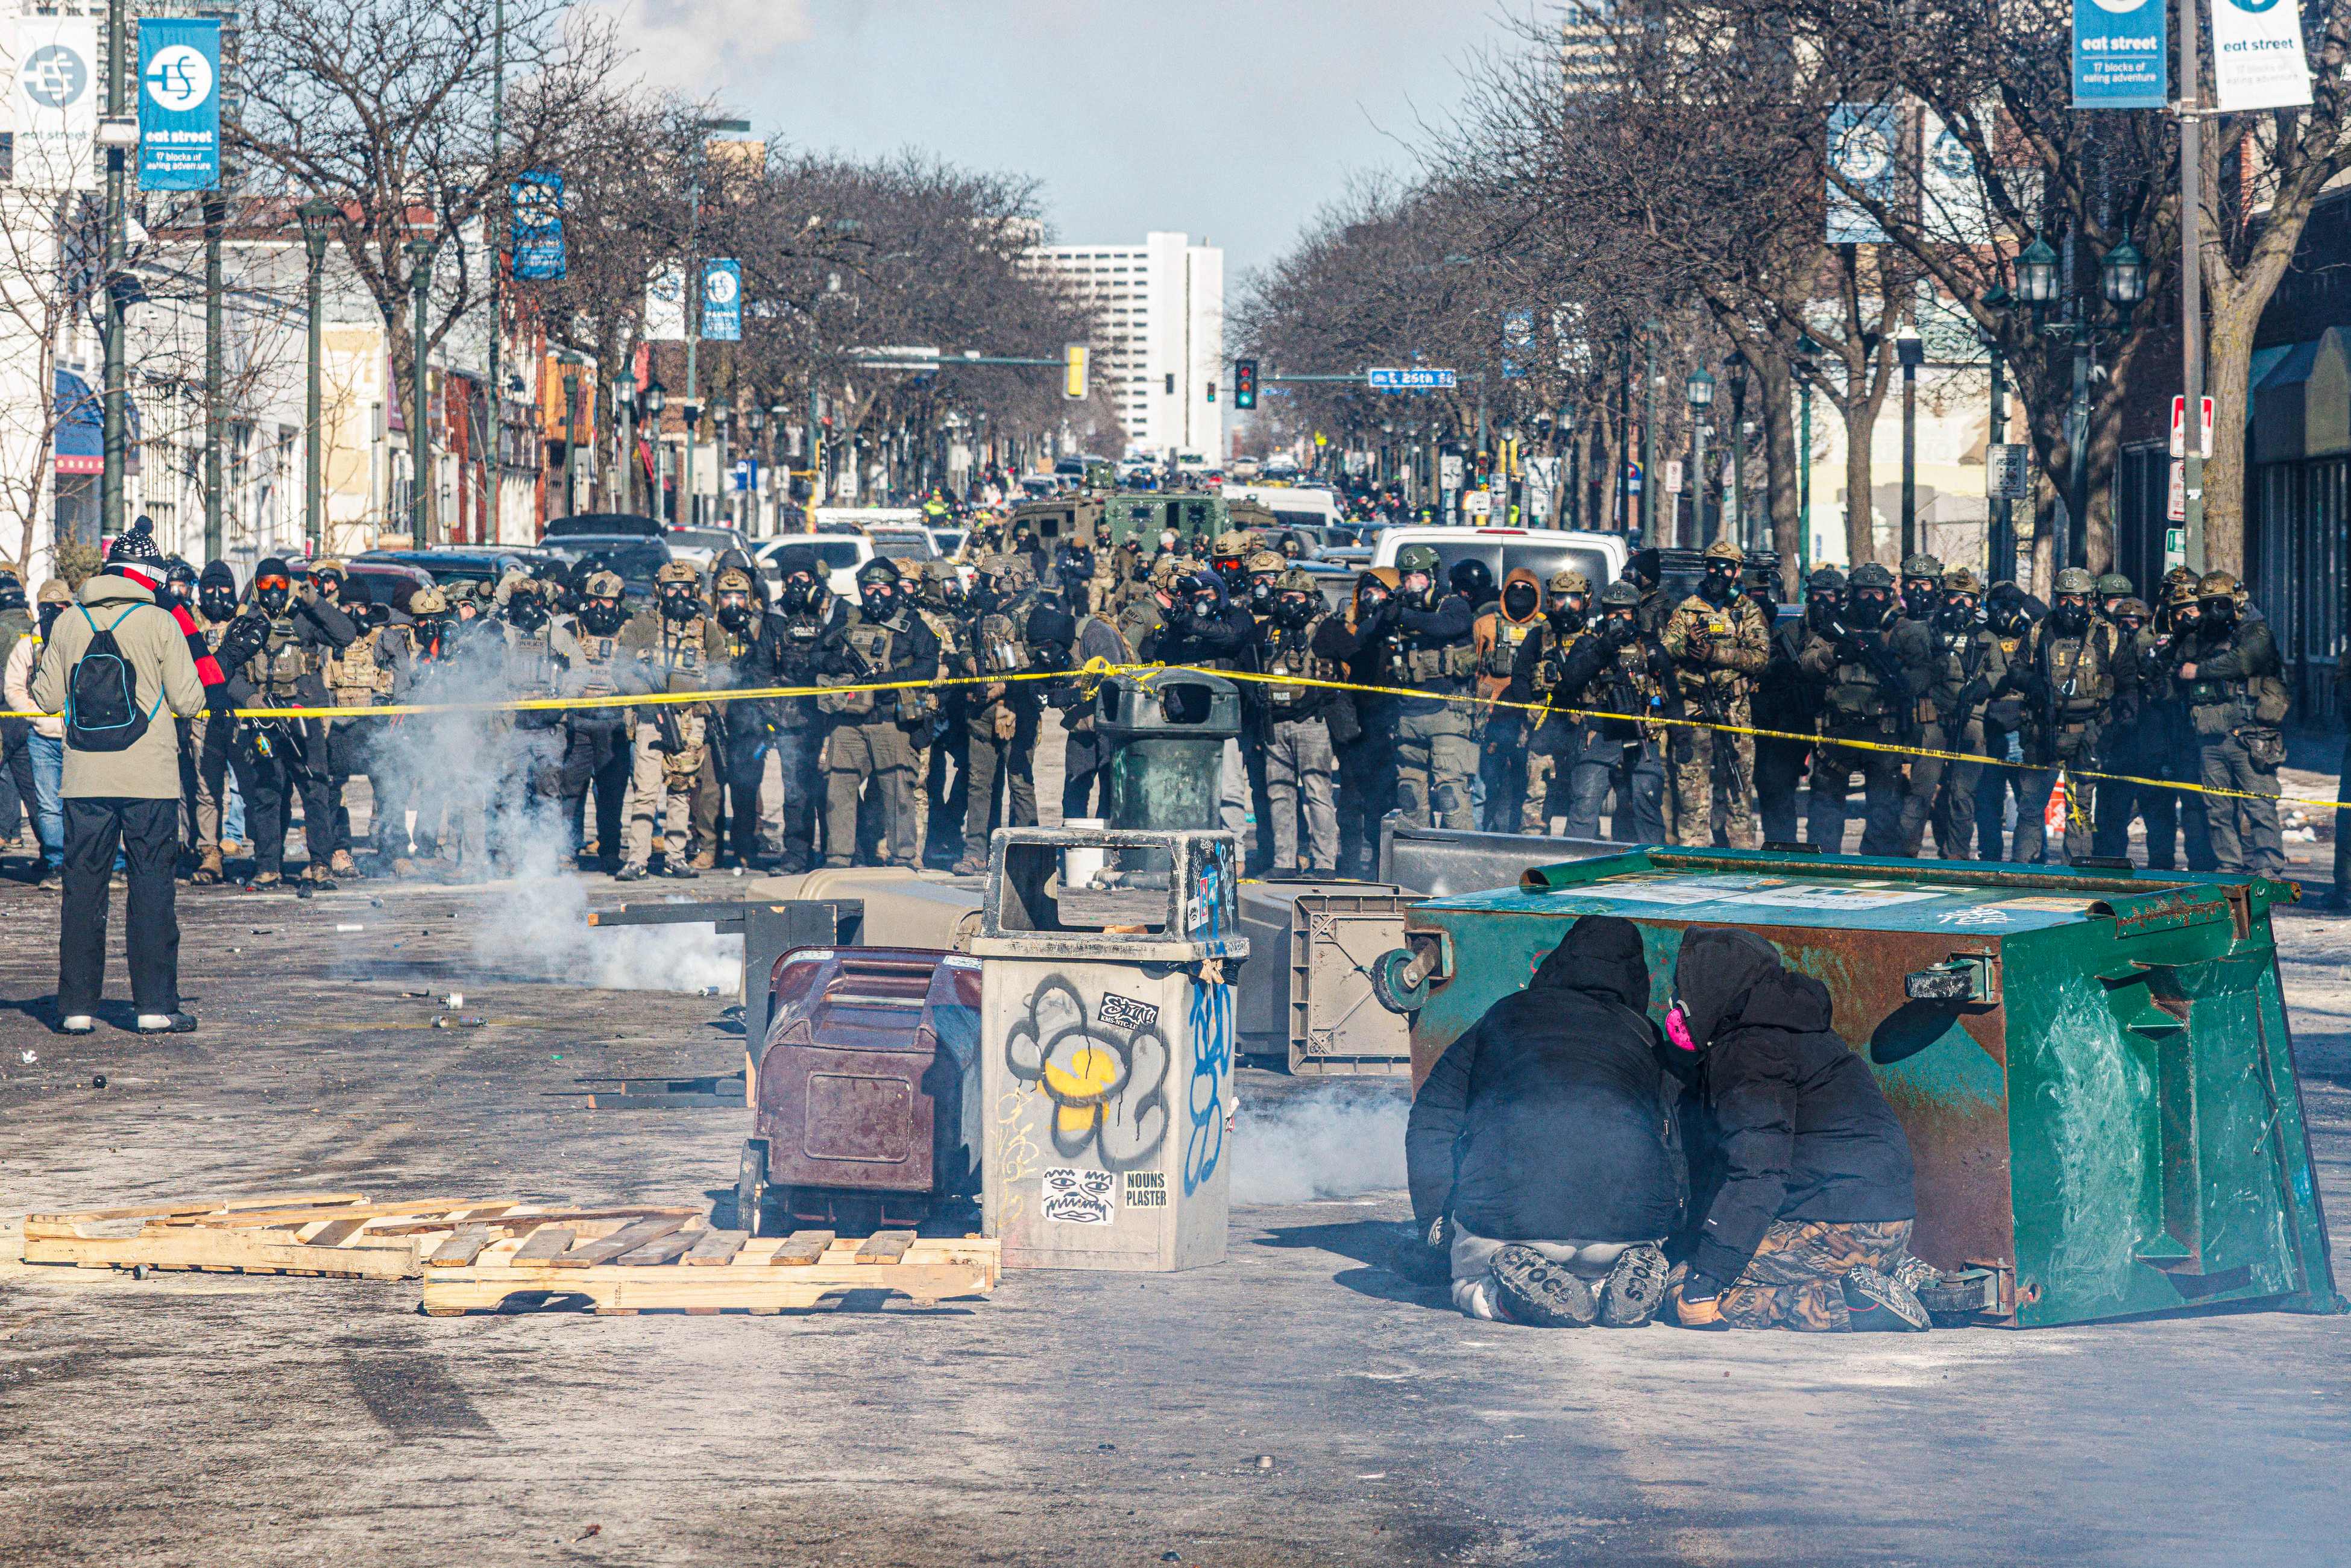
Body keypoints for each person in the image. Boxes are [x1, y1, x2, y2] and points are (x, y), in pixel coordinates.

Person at [1407, 915, 1681, 1327]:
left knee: (1467, 1281)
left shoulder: (1504, 1016)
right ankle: (1620, 1269)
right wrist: (1672, 1221)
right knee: (1600, 1271)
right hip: (1629, 1221)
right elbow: (1677, 1136)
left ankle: (1502, 1296)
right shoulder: (1644, 1035)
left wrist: (1435, 1216)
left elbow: (1434, 1115)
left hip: (1511, 1220)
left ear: (1557, 962)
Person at [1665, 927, 1928, 1332]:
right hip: (1888, 1226)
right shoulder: (1802, 1032)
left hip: (1835, 1225)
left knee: (1683, 1281)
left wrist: (1705, 1281)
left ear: (1712, 986)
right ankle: (1910, 1279)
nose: (1678, 1002)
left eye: (1684, 987)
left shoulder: (1750, 1050)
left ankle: (1850, 1305)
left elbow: (1759, 1174)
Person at [32, 531, 209, 1033]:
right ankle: (154, 1006)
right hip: (149, 779)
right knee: (152, 889)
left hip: (84, 779)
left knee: (82, 890)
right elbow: (189, 701)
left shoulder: (68, 621)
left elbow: (45, 699)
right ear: (149, 577)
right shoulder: (160, 622)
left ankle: (75, 1009)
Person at [216, 554, 356, 887]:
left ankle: (320, 864)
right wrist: (249, 698)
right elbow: (225, 670)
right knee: (267, 793)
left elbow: (346, 635)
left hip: (303, 715)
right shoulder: (245, 624)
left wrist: (315, 602)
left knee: (315, 789)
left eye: (281, 583)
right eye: (267, 585)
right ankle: (268, 865)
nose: (275, 591)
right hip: (265, 718)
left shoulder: (304, 619)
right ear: (256, 588)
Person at [819, 558, 939, 869]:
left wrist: (889, 681)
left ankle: (903, 859)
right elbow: (818, 656)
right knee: (839, 788)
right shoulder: (846, 620)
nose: (876, 594)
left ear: (894, 589)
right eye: (870, 587)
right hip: (848, 722)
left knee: (898, 792)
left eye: (883, 587)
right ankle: (839, 858)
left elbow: (928, 665)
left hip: (890, 722)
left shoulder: (911, 623)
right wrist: (840, 664)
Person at [615, 559, 728, 880]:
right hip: (652, 718)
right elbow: (621, 668)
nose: (678, 595)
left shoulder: (706, 627)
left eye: (684, 589)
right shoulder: (643, 625)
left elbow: (722, 665)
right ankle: (637, 858)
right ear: (659, 591)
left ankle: (676, 856)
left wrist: (704, 695)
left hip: (691, 720)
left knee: (680, 790)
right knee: (646, 791)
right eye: (671, 589)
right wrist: (646, 697)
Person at [2174, 570, 2288, 875]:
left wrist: (2199, 672)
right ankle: (2229, 866)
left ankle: (2269, 869)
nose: (2214, 612)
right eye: (2207, 605)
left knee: (2260, 806)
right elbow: (2176, 670)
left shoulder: (2256, 632)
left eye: (2221, 604)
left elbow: (2243, 661)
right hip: (2210, 737)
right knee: (2218, 810)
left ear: (2236, 601)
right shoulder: (2197, 638)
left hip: (2250, 736)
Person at [2009, 567, 2124, 866]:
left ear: (2090, 601)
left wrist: (2119, 725)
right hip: (2043, 730)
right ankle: (2024, 871)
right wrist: (2034, 683)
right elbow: (2016, 669)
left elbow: (2126, 680)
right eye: (2063, 599)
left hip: (2089, 731)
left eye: (2077, 599)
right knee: (2032, 806)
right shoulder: (2039, 630)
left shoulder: (2107, 634)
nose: (2069, 607)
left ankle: (2079, 870)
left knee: (2080, 808)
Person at [1798, 562, 1912, 855]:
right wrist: (1834, 652)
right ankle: (1822, 865)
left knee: (1884, 807)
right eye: (1864, 593)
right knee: (1825, 803)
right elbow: (1807, 662)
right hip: (1840, 727)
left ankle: (1880, 869)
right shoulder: (1837, 627)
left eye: (1877, 593)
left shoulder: (1901, 628)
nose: (1871, 600)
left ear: (1888, 595)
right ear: (1853, 593)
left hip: (1883, 729)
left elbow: (1922, 668)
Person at [1661, 540, 1769, 848]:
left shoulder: (1747, 611)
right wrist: (1688, 648)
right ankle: (1692, 856)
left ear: (1738, 571)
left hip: (1734, 713)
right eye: (1712, 566)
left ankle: (1742, 859)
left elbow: (1760, 658)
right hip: (1695, 712)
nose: (1718, 573)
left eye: (1726, 567)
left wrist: (1715, 654)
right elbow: (1665, 650)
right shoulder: (1687, 609)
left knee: (1738, 792)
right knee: (1692, 792)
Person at [1896, 567, 2004, 860]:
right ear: (1944, 598)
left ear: (1977, 603)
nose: (1960, 605)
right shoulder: (1928, 632)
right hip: (1933, 723)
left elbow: (2000, 671)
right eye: (1954, 597)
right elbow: (1907, 675)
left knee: (1962, 796)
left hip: (1971, 725)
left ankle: (1956, 858)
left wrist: (1983, 685)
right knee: (1921, 792)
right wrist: (1931, 670)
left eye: (1967, 599)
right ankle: (1905, 857)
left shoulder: (1986, 637)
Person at [1557, 579, 1673, 842]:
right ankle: (1574, 862)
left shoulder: (1650, 646)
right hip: (1599, 733)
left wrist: (1681, 735)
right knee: (1584, 804)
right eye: (1612, 611)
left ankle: (1654, 867)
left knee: (1646, 800)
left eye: (1625, 612)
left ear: (1636, 613)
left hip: (1642, 734)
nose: (1618, 618)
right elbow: (1571, 679)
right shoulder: (1589, 643)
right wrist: (1601, 650)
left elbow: (1671, 690)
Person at [1252, 568, 1347, 874]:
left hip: (1312, 722)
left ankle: (1324, 863)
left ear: (1311, 599)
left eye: (1298, 596)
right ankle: (1284, 863)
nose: (1290, 602)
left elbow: (1350, 658)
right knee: (1279, 794)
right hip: (1275, 724)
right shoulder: (1267, 629)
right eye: (1284, 596)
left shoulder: (1326, 628)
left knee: (1318, 792)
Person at [1380, 543, 1479, 829]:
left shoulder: (1453, 605)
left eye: (1418, 576)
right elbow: (1365, 637)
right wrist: (1384, 614)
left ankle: (1461, 864)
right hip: (1408, 717)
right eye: (1406, 577)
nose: (1411, 584)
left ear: (1433, 577)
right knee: (1410, 795)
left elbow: (1446, 627)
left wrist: (1403, 616)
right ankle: (1414, 865)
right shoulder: (1400, 608)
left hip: (1448, 714)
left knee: (1451, 795)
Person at [558, 571, 635, 876]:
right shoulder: (569, 629)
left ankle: (611, 852)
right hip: (579, 722)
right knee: (571, 791)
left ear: (618, 603)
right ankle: (566, 850)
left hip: (615, 723)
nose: (600, 607)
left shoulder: (630, 632)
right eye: (594, 600)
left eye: (607, 601)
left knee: (612, 794)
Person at [1754, 567, 1838, 848]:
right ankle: (1781, 847)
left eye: (1830, 595)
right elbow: (1763, 671)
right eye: (1817, 595)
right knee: (1775, 784)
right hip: (1791, 717)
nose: (1822, 602)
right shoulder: (1788, 632)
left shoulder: (1846, 633)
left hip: (1831, 719)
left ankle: (1825, 855)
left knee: (1827, 790)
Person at [1505, 569, 1594, 834]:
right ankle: (1530, 849)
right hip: (1545, 727)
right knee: (1536, 796)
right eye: (1560, 599)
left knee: (1583, 797)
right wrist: (1530, 708)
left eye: (1573, 599)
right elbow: (1519, 677)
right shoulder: (1539, 636)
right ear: (1550, 601)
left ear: (1585, 600)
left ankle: (1576, 854)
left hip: (1582, 728)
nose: (1566, 606)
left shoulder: (1595, 635)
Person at [1323, 569, 1399, 878]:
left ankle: (1383, 865)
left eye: (1381, 591)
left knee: (1385, 801)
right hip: (1353, 728)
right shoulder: (1347, 628)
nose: (1373, 596)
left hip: (1389, 727)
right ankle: (1352, 863)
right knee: (1351, 800)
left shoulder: (1402, 630)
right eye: (1367, 590)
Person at [5, 580, 71, 888]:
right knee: (47, 805)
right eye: (48, 607)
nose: (54, 614)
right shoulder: (27, 645)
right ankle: (56, 863)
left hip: (79, 737)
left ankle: (106, 863)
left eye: (61, 608)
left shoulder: (83, 639)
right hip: (41, 737)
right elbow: (14, 688)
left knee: (88, 804)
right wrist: (37, 715)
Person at [1472, 568, 1546, 833]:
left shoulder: (1544, 628)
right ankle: (1476, 837)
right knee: (1483, 786)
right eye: (1515, 588)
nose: (1520, 595)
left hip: (1529, 722)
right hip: (1490, 719)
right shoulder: (1486, 625)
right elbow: (1474, 671)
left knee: (1525, 785)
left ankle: (1516, 836)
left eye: (1528, 589)